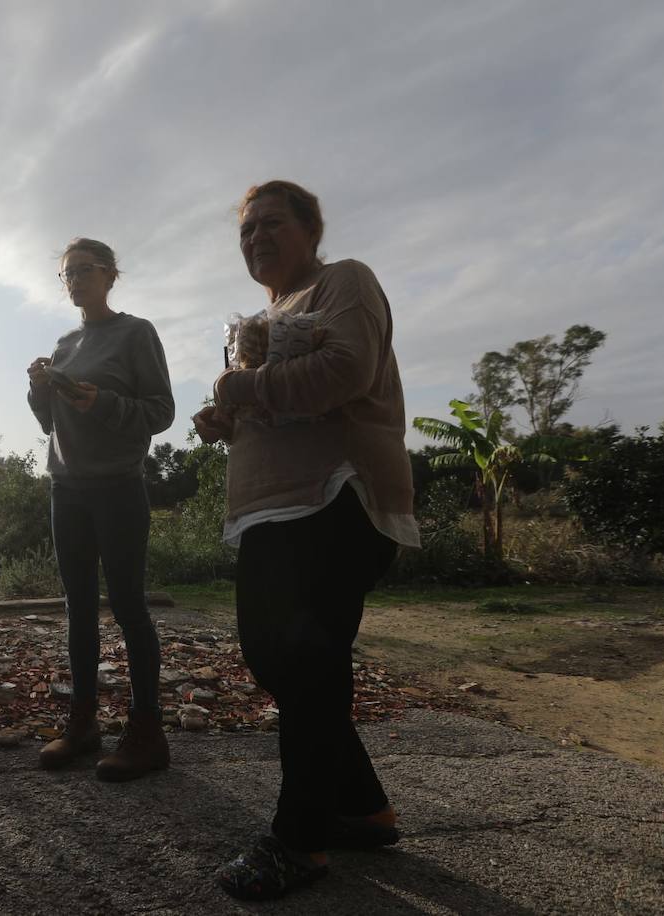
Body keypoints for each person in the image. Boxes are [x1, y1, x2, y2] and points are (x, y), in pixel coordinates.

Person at [193, 181, 420, 901]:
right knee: (286, 660)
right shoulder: (259, 319)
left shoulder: (342, 282)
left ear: (311, 228)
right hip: (269, 510)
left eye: (272, 223)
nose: (255, 237)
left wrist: (242, 390)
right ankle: (361, 807)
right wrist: (226, 413)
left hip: (336, 496)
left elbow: (346, 371)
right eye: (246, 229)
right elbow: (264, 398)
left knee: (302, 656)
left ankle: (299, 841)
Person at [26, 237, 175, 782]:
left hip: (118, 487)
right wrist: (41, 389)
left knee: (130, 607)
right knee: (79, 608)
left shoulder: (136, 333)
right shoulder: (65, 343)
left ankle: (146, 731)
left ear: (111, 275)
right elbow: (51, 423)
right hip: (67, 488)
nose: (74, 280)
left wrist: (101, 401)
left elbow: (161, 412)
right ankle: (83, 723)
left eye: (84, 270)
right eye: (66, 274)